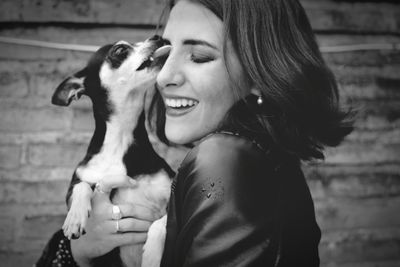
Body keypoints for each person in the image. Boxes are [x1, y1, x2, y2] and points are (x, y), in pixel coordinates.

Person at [36, 0, 353, 266]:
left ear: (261, 74)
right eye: (166, 52)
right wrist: (78, 249)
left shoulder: (223, 158)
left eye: (199, 56)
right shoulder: (269, 160)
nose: (163, 78)